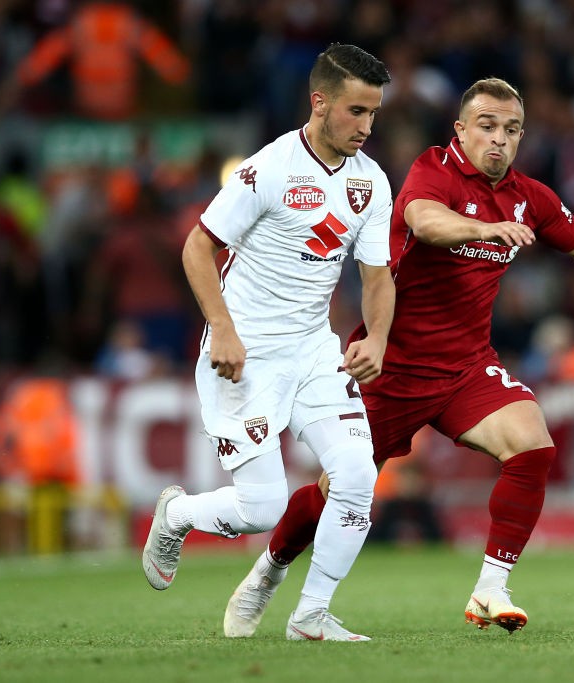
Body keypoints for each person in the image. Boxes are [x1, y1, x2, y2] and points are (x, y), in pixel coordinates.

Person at [222, 77, 574, 639]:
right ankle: (267, 572)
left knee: (532, 442)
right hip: (390, 364)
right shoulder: (434, 169)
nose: (499, 140)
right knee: (338, 492)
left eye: (512, 130)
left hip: (466, 366)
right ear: (461, 129)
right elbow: (424, 220)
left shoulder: (528, 194)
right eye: (487, 126)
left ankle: (491, 589)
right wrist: (484, 227)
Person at [141, 43, 395, 643]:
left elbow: (378, 275)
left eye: (374, 114)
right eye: (356, 111)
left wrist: (378, 337)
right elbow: (196, 248)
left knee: (358, 473)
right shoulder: (268, 169)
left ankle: (310, 617)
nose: (366, 126)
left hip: (313, 351)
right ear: (320, 102)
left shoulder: (371, 181)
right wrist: (223, 330)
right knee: (263, 509)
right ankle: (176, 514)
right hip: (245, 357)